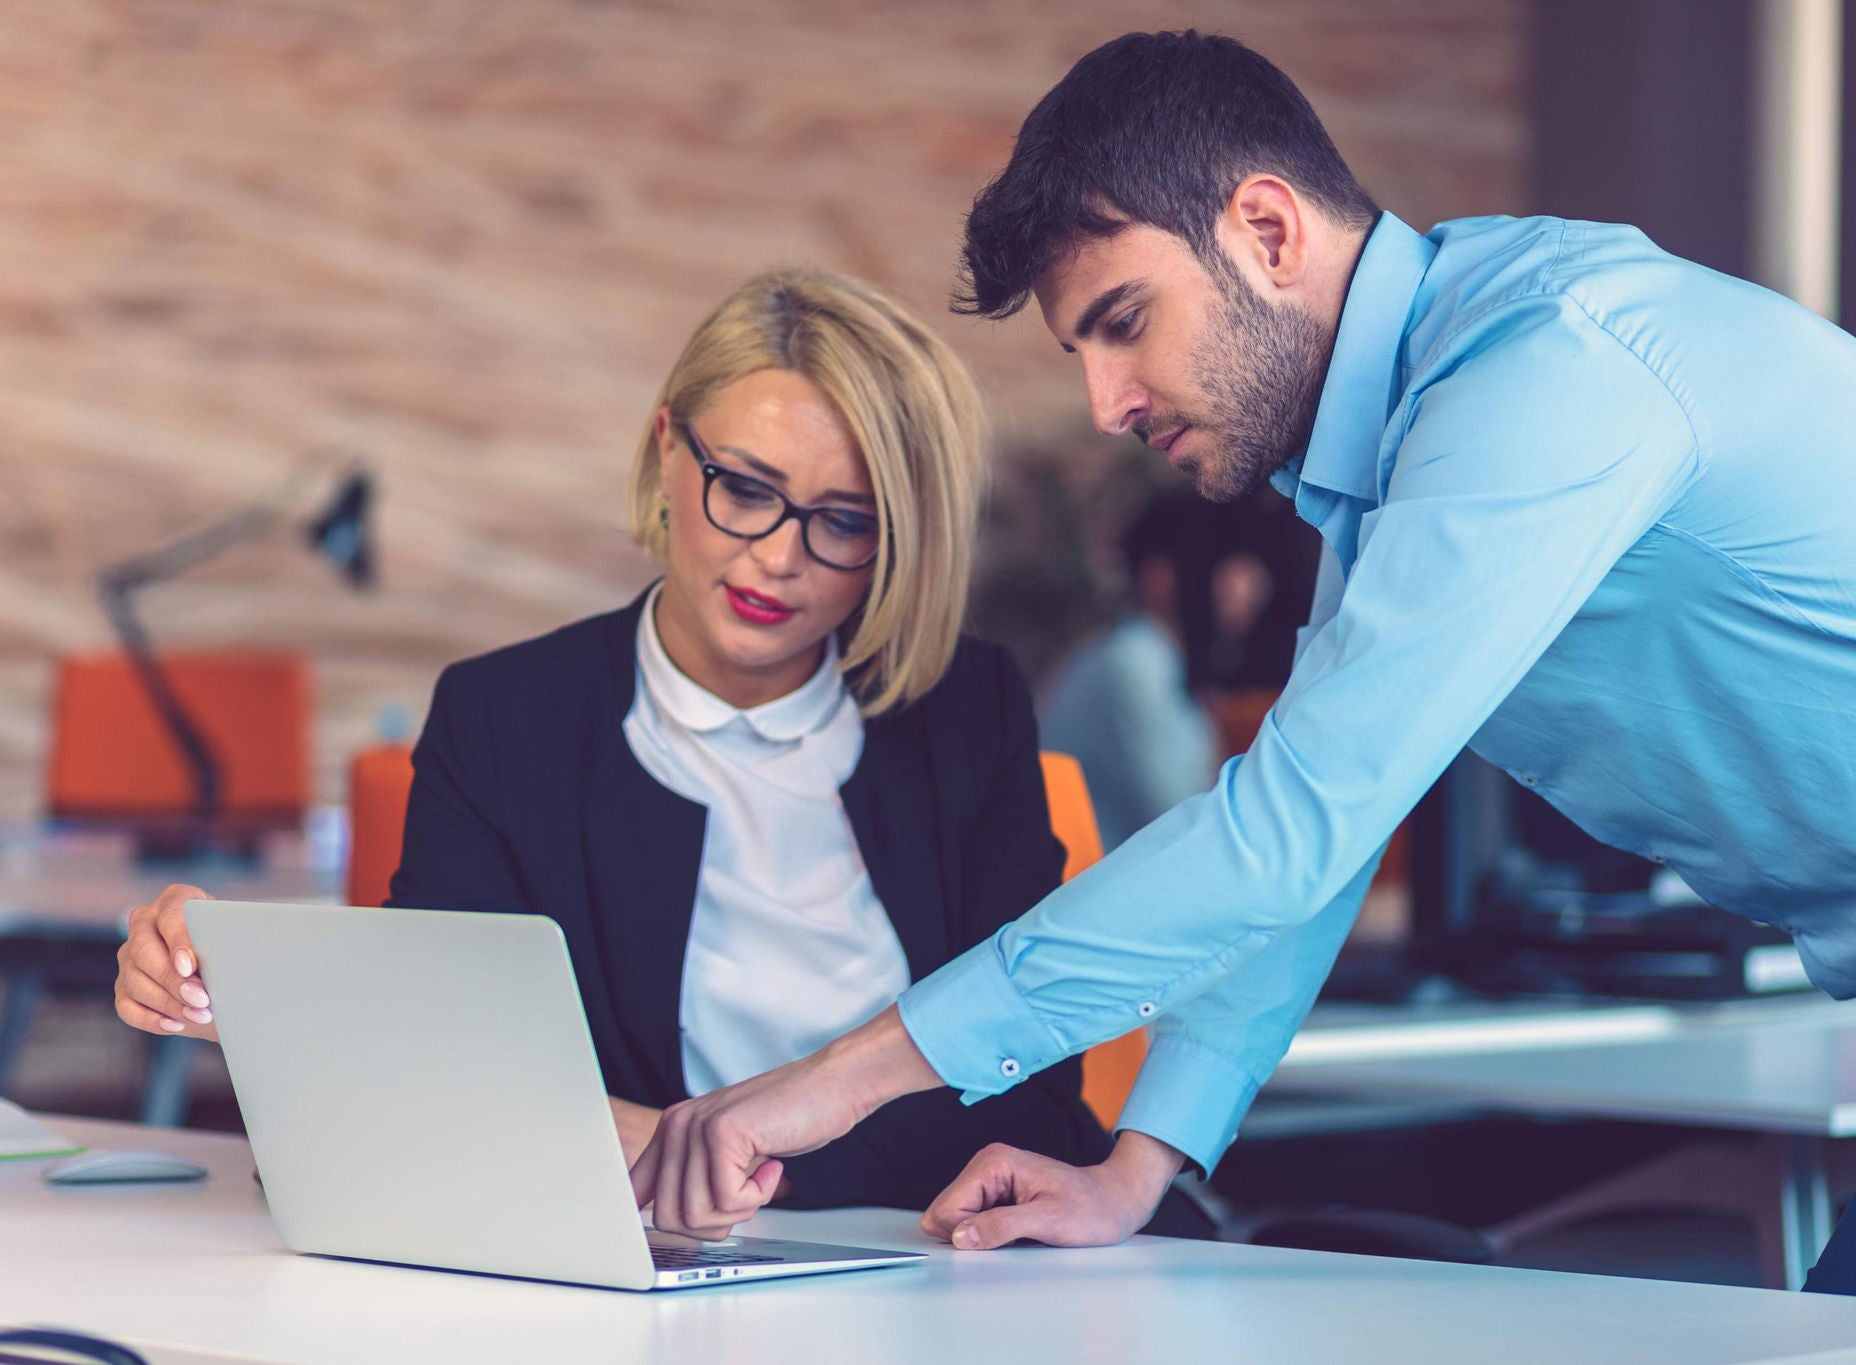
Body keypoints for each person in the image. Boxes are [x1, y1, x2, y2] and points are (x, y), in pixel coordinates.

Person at [628, 30, 1856, 1294]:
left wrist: (843, 1080)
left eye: (1122, 322)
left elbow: (1281, 837)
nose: (1107, 402)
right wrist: (1137, 1168)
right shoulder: (1398, 467)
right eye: (1080, 353)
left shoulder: (1547, 373)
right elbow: (1313, 852)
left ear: (1265, 232)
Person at [111, 268, 1206, 1229]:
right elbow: (445, 1081)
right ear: (665, 453)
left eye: (842, 519)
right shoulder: (509, 719)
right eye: (745, 490)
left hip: (928, 1269)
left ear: (895, 540)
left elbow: (1023, 1099)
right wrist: (224, 984)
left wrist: (665, 1142)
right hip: (629, 1289)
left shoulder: (965, 709)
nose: (777, 557)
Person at [1038, 491, 1218, 849]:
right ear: (1159, 578)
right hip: (1085, 888)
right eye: (1216, 562)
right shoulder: (1132, 666)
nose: (1243, 585)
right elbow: (1184, 822)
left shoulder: (1153, 659)